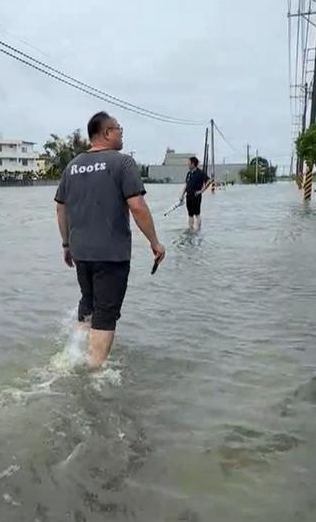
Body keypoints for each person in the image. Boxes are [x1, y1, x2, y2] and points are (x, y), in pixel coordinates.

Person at [54, 111, 166, 369]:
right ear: (106, 133)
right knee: (105, 314)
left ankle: (72, 356)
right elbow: (137, 206)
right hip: (111, 254)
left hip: (81, 252)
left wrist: (66, 244)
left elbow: (60, 207)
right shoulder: (123, 163)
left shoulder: (72, 166)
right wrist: (155, 243)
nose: (122, 131)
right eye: (118, 128)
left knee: (88, 303)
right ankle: (93, 373)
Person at [180, 156, 210, 230]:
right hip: (188, 195)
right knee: (190, 214)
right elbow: (186, 184)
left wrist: (201, 191)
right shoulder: (189, 173)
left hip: (196, 196)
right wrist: (182, 195)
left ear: (193, 164)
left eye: (189, 163)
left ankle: (198, 230)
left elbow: (209, 181)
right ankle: (190, 229)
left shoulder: (200, 173)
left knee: (197, 214)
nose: (188, 165)